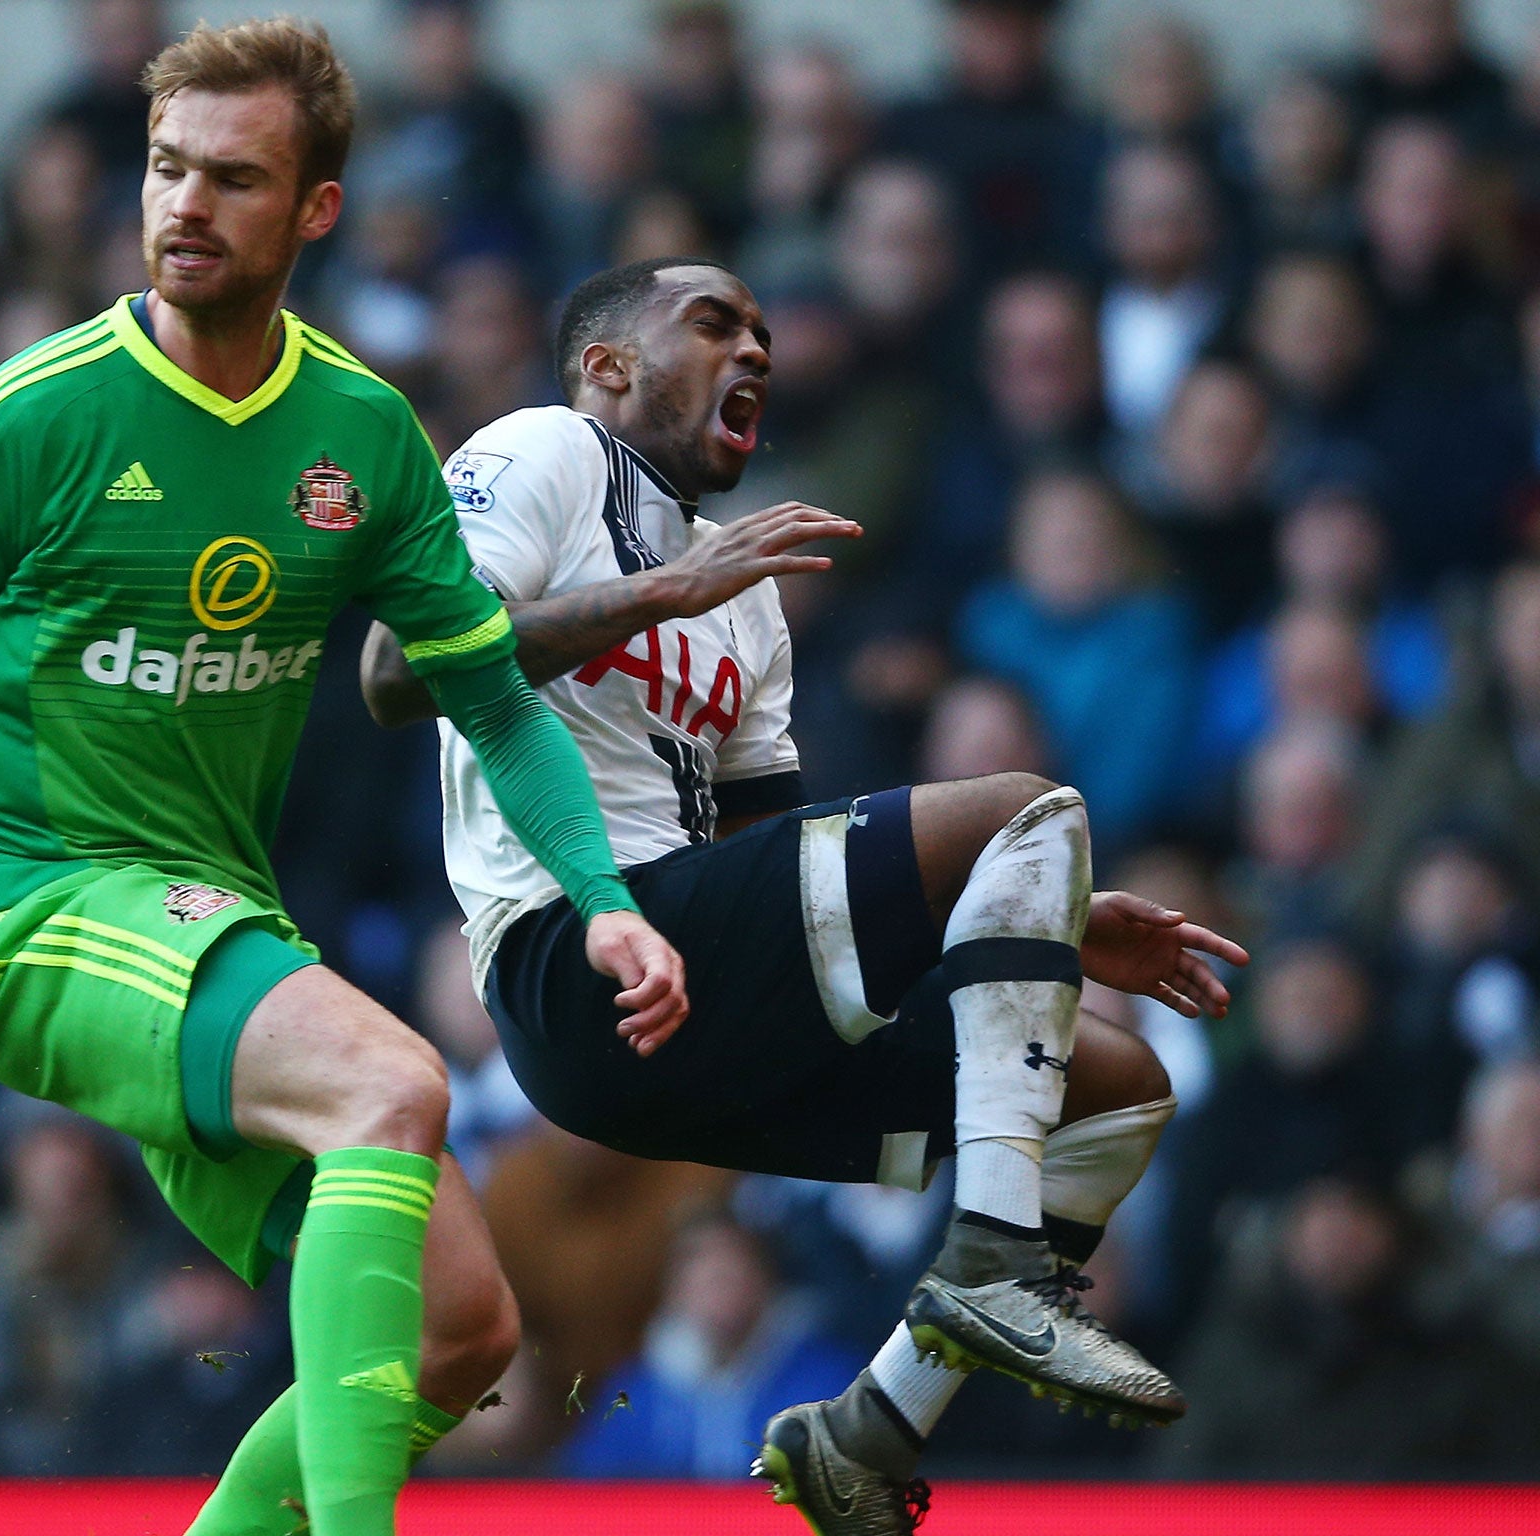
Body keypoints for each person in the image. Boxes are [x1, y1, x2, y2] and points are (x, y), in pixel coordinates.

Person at [0, 22, 686, 1536]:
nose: (184, 207)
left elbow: (488, 697)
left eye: (233, 178)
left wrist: (606, 900)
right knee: (392, 1084)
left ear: (317, 210)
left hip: (209, 918)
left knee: (465, 1335)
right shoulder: (21, 420)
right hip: (28, 905)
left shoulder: (358, 433)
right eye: (166, 170)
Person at [362, 256, 1248, 1533]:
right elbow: (397, 673)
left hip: (699, 990)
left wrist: (1041, 916)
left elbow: (781, 855)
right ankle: (997, 1267)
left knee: (1112, 1087)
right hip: (569, 960)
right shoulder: (542, 450)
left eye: (765, 331)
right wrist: (665, 592)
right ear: (607, 366)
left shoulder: (744, 581)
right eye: (712, 322)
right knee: (1022, 804)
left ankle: (865, 1435)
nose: (754, 350)